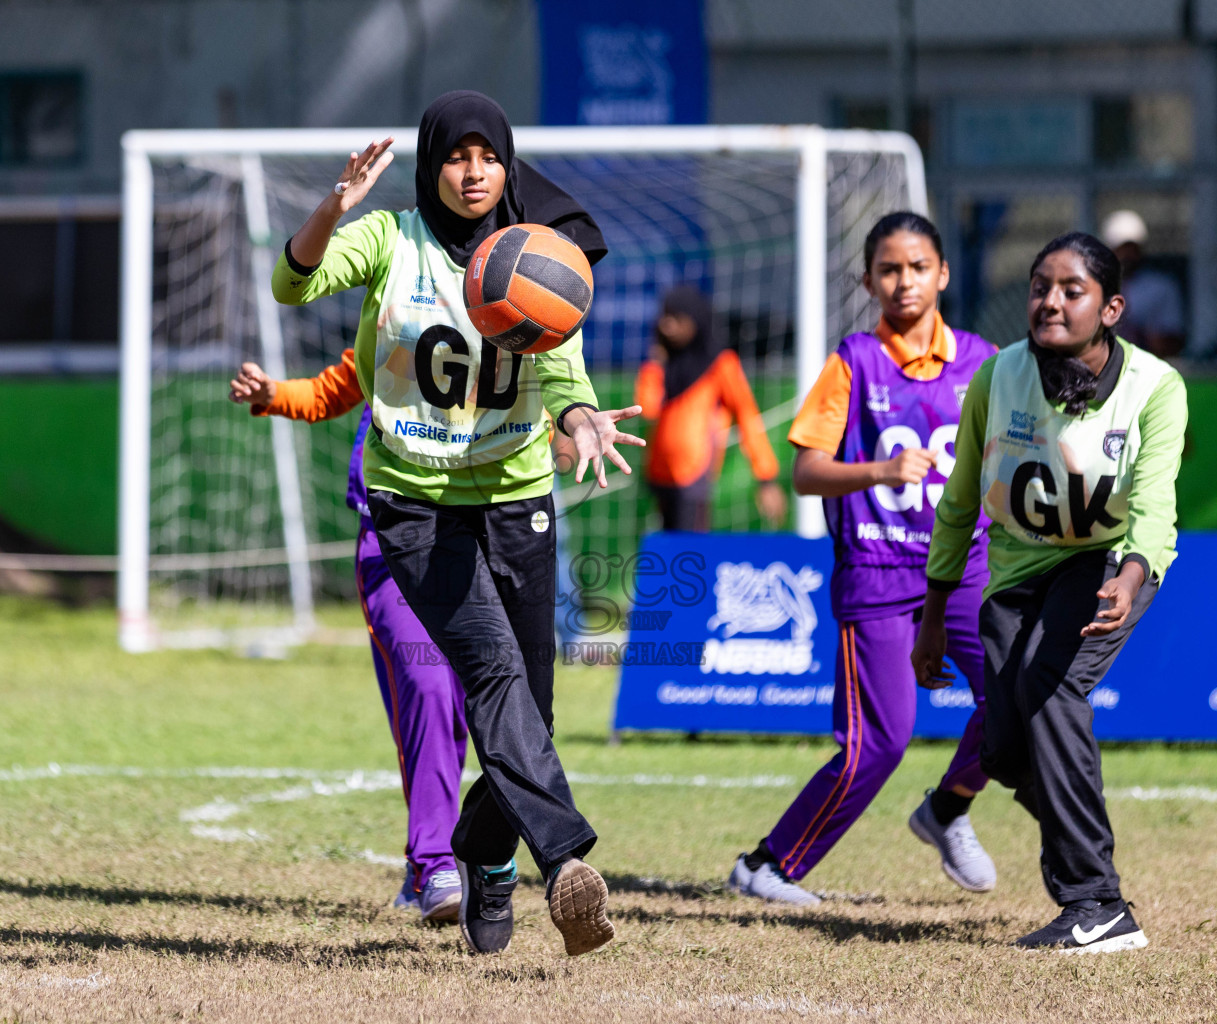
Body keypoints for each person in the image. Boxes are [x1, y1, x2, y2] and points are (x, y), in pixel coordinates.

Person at [268, 90, 642, 957]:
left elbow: (567, 367)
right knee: (492, 671)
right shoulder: (390, 239)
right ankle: (564, 860)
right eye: (454, 156)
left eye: (488, 156)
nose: (473, 172)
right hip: (417, 508)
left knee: (532, 708)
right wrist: (334, 208)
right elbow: (293, 283)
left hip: (516, 500)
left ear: (507, 164)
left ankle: (482, 855)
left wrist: (581, 418)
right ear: (432, 164)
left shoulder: (539, 257)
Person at [912, 232, 1186, 952]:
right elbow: (960, 498)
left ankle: (1096, 902)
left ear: (1112, 307)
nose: (1051, 301)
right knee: (1001, 750)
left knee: (1052, 691)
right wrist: (934, 615)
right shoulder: (997, 377)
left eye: (1072, 290)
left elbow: (1156, 507)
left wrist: (1130, 577)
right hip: (1016, 572)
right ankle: (1085, 852)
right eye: (1039, 287)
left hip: (1104, 566)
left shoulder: (1156, 387)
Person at [728, 212, 998, 906]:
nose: (903, 281)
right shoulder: (854, 359)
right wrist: (878, 471)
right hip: (877, 573)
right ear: (868, 280)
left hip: (967, 569)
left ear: (942, 273)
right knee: (880, 741)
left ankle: (947, 808)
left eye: (917, 267)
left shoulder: (986, 362)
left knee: (1018, 698)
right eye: (888, 269)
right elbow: (807, 473)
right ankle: (767, 866)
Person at [231, 352, 469, 924]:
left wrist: (572, 420)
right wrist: (270, 395)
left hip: (477, 536)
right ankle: (435, 864)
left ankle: (439, 861)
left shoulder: (504, 315)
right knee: (429, 684)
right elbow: (326, 393)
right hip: (389, 544)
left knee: (463, 707)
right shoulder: (390, 317)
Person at [634, 285, 786, 531]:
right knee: (664, 556)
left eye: (676, 318)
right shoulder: (664, 363)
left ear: (694, 320)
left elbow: (748, 417)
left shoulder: (721, 364)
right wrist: (654, 365)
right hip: (659, 477)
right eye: (665, 317)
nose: (667, 326)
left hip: (693, 477)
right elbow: (648, 408)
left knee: (690, 555)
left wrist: (766, 477)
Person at [1099, 210, 1185, 358]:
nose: (1127, 255)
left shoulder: (1161, 287)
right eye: (1122, 249)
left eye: (1132, 249)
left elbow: (1172, 338)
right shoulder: (1094, 286)